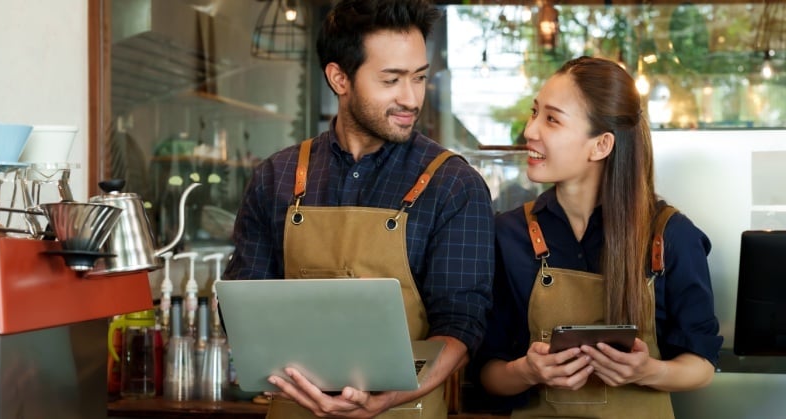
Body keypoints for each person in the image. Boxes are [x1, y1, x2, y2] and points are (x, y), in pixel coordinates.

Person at [223, 1, 495, 418]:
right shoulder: (275, 177)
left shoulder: (453, 184)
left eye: (419, 78)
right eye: (392, 80)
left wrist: (386, 398)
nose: (411, 98)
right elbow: (243, 310)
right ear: (339, 78)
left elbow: (461, 327)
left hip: (405, 411)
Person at [472, 56, 722, 418]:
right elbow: (488, 376)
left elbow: (701, 365)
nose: (529, 131)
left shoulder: (671, 235)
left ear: (601, 145)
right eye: (535, 112)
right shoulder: (507, 234)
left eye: (552, 119)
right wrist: (524, 371)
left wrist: (649, 370)